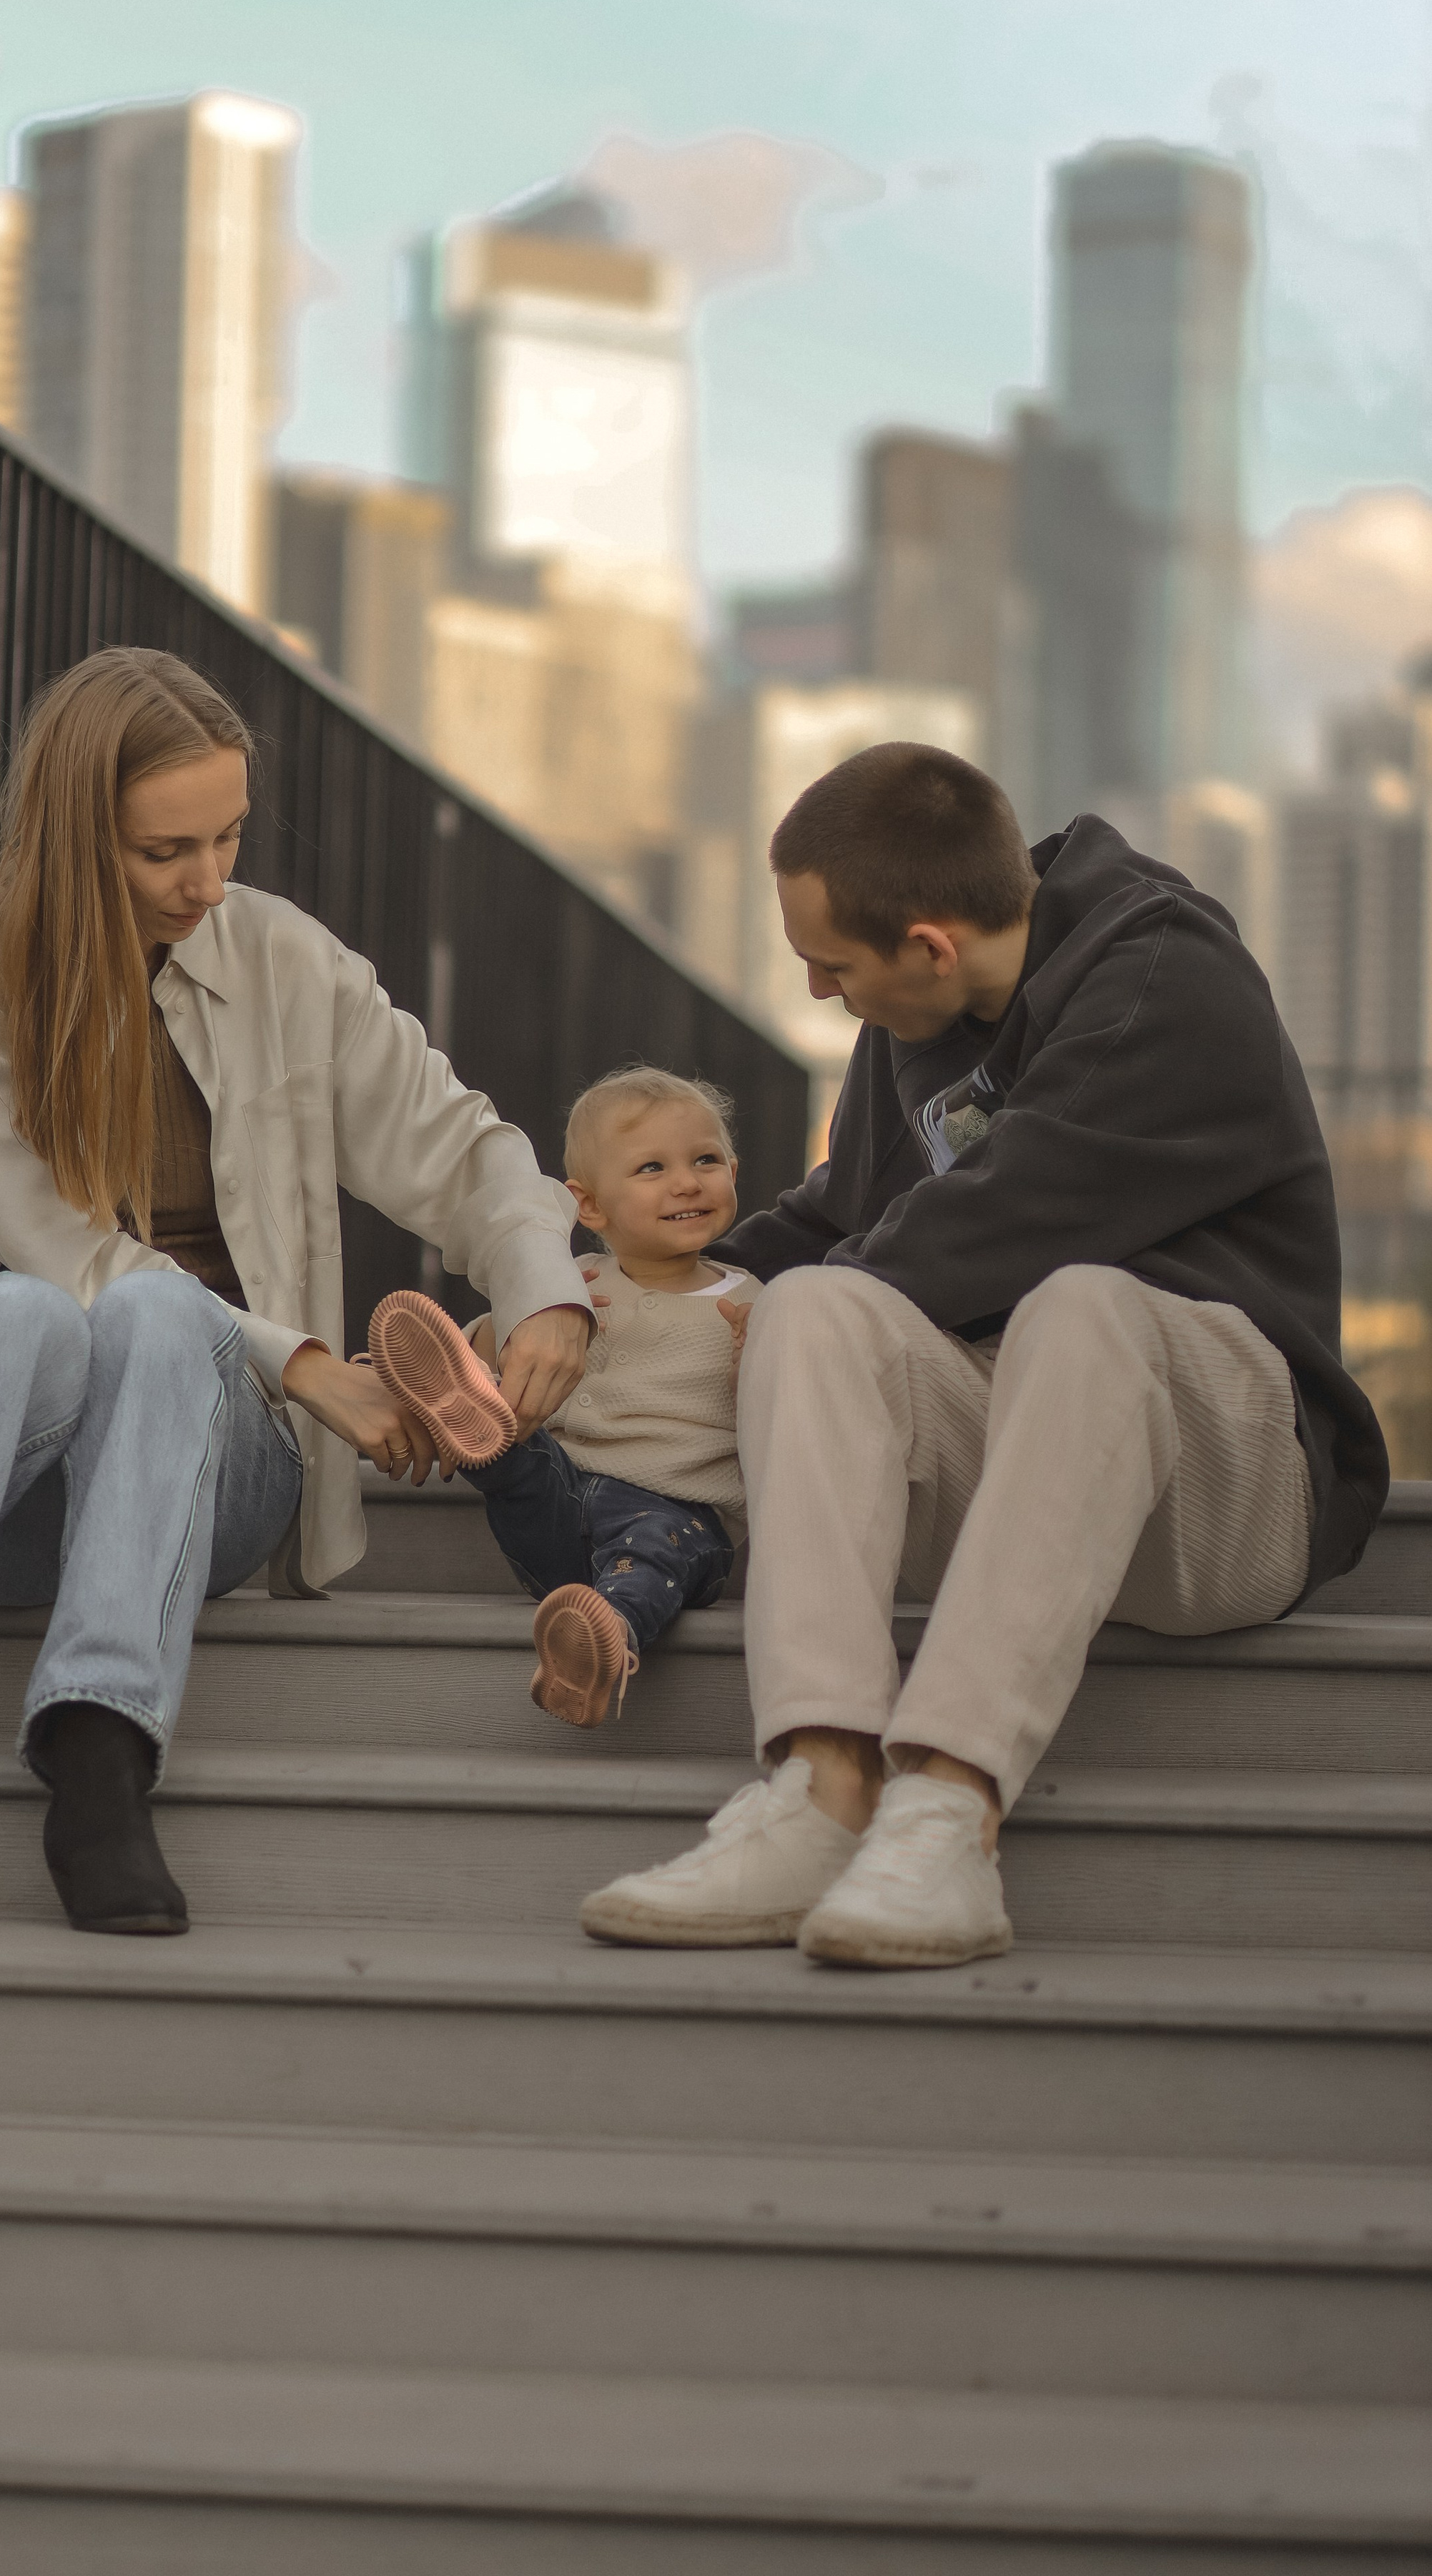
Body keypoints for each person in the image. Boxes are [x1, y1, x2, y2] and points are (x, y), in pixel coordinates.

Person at [0, 648, 592, 1936]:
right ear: (78, 836)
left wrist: (547, 1292)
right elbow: (58, 1246)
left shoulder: (283, 960)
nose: (208, 882)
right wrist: (313, 1367)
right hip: (0, 1477)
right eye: (165, 853)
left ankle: (97, 1755)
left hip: (213, 1475)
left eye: (230, 837)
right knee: (47, 1305)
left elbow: (459, 1145)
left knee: (155, 1323)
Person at [581, 742, 1387, 1965]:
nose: (815, 995)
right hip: (1036, 1464)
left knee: (1080, 1304)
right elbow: (835, 1223)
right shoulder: (919, 1019)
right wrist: (609, 1302)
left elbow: (1001, 1217)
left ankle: (949, 1816)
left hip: (1235, 1490)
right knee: (814, 1310)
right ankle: (821, 1785)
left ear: (931, 945)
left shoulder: (1163, 978)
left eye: (832, 969)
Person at [373, 1070, 763, 1729]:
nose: (687, 1181)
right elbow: (520, 1349)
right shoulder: (569, 1285)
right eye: (651, 1168)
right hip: (565, 1496)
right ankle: (467, 1411)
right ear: (590, 1206)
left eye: (706, 1160)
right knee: (519, 1457)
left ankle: (600, 1641)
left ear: (734, 1169)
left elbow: (772, 1422)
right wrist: (510, 1326)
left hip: (680, 1513)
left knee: (655, 1552)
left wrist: (757, 1363)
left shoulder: (753, 1301)